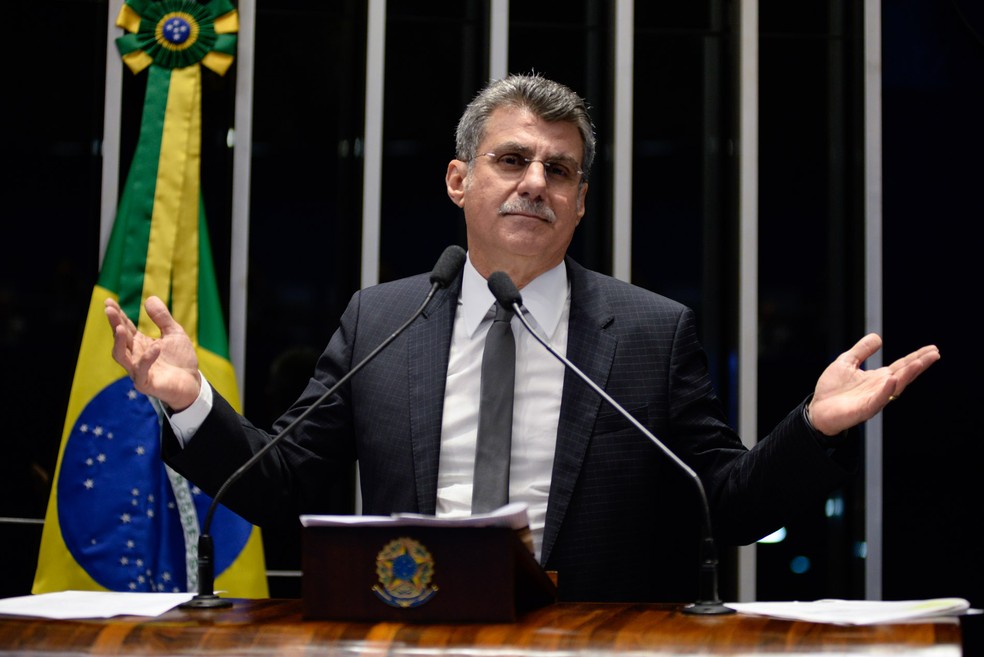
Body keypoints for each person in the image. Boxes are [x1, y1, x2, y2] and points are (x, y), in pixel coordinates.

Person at [105, 73, 940, 602]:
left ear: (580, 203)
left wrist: (813, 428)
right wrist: (189, 403)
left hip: (594, 646)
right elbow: (280, 484)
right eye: (512, 159)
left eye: (560, 170)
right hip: (414, 630)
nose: (536, 182)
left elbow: (719, 502)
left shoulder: (652, 330)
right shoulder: (381, 319)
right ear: (460, 180)